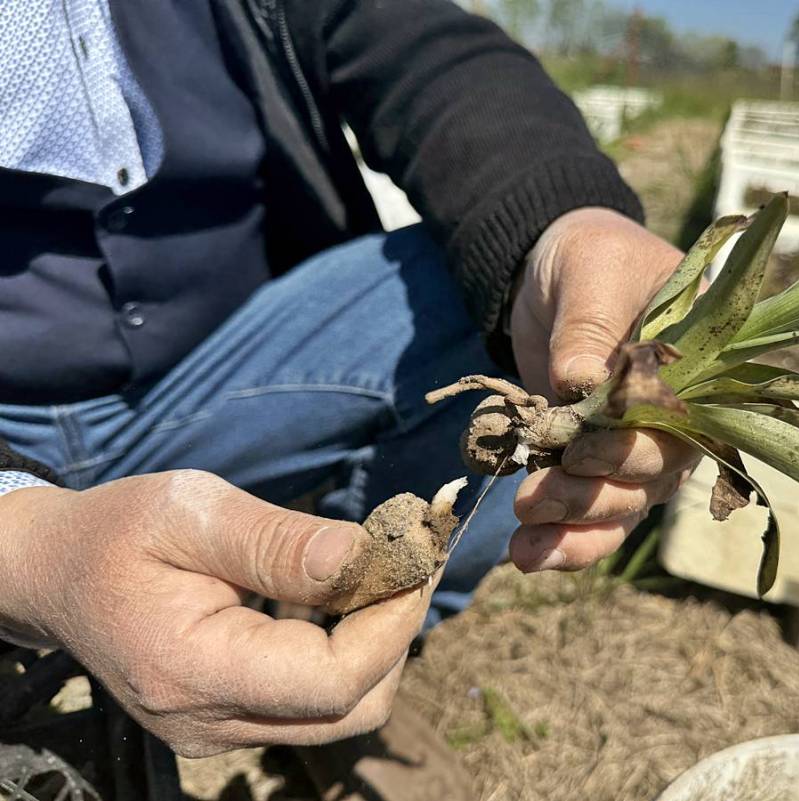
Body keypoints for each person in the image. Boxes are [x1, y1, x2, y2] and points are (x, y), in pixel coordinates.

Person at [0, 0, 697, 760]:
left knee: (503, 295)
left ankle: (352, 652)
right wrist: (23, 542)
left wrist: (559, 217)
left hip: (229, 363)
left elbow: (406, 36)